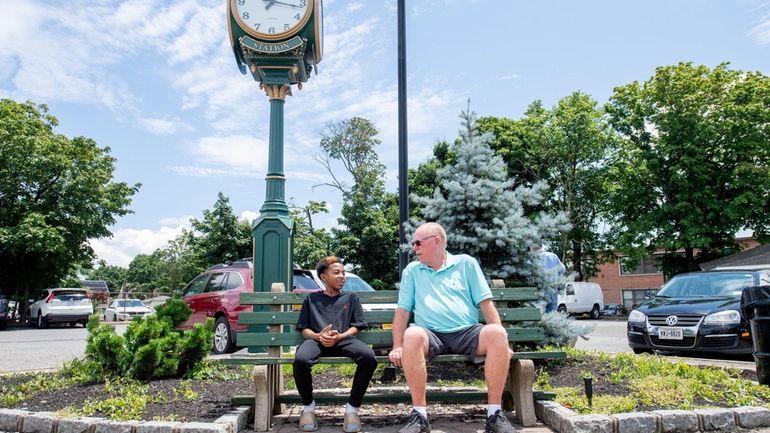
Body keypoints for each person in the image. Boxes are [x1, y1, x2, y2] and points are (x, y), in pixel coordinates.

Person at [389, 222, 518, 433]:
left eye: (418, 242)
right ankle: (420, 417)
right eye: (413, 243)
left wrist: (502, 344)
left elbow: (486, 303)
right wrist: (397, 345)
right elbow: (402, 311)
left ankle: (494, 415)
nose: (414, 247)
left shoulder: (466, 263)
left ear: (436, 241)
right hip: (430, 334)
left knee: (497, 332)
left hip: (467, 332)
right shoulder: (412, 270)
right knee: (411, 334)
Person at [294, 256, 377, 432]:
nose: (342, 276)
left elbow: (357, 326)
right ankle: (308, 407)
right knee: (301, 359)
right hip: (317, 341)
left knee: (369, 358)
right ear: (324, 277)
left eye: (343, 273)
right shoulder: (311, 299)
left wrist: (340, 336)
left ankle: (352, 409)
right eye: (336, 273)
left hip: (343, 340)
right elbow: (304, 330)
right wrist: (319, 336)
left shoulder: (351, 298)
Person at [531, 245, 566, 313]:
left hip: (539, 290)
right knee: (552, 313)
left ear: (531, 248)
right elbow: (563, 270)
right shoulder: (553, 256)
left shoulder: (532, 259)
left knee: (540, 313)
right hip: (553, 289)